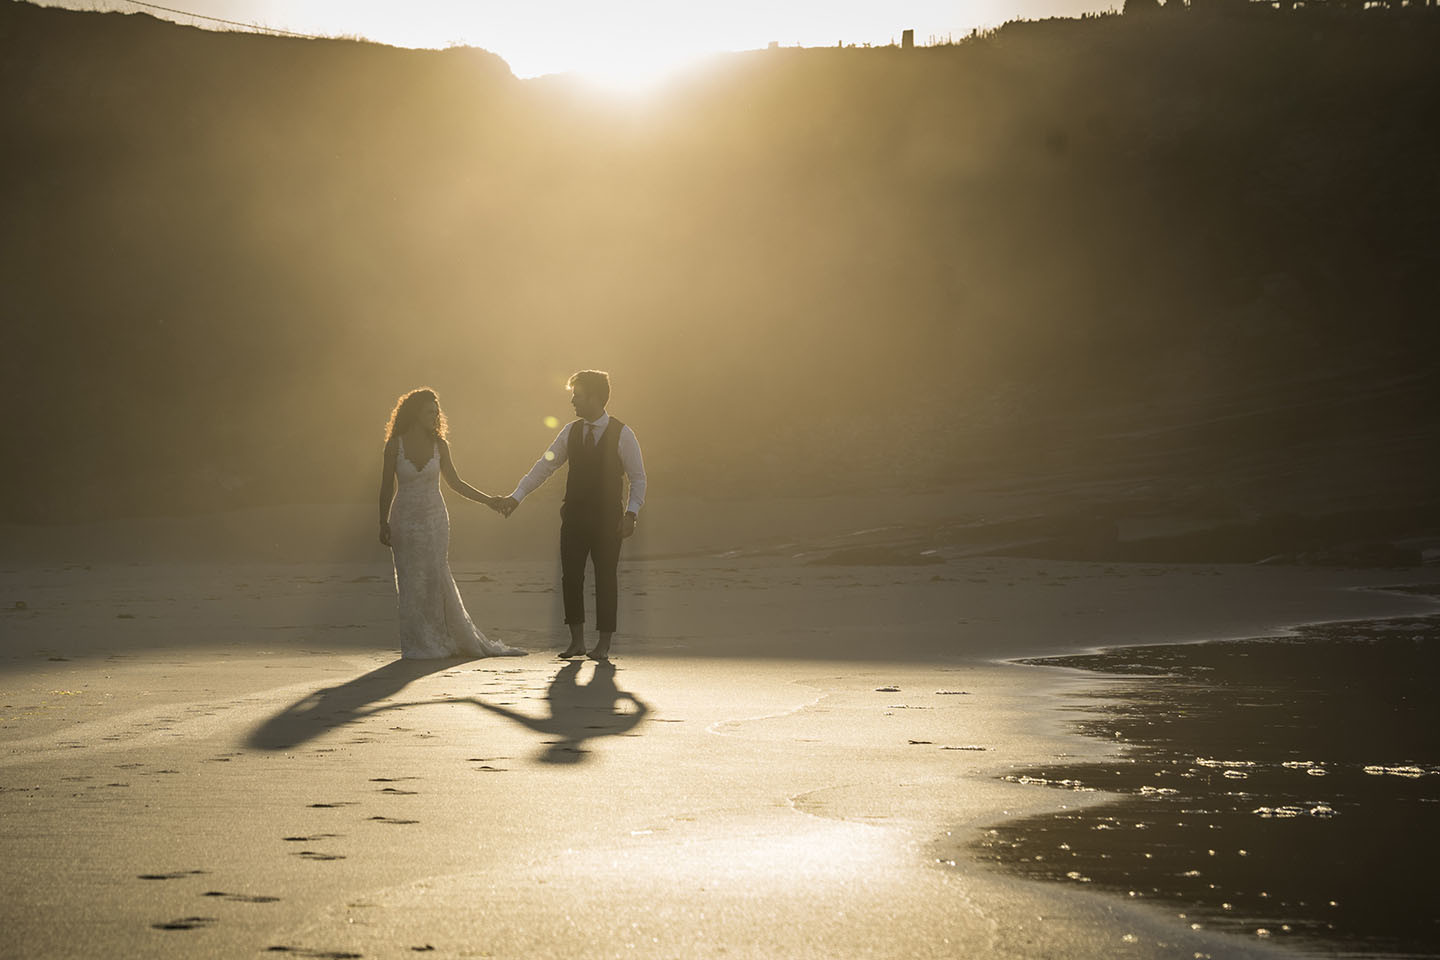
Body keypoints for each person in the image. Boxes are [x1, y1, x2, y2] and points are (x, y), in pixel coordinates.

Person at [493, 370, 646, 661]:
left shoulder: (622, 433)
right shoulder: (570, 432)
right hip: (574, 515)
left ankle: (604, 643)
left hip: (608, 519)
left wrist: (631, 513)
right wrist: (517, 496)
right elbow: (544, 466)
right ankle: (576, 641)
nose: (573, 402)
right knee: (571, 577)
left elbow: (639, 478)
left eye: (578, 396)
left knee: (605, 578)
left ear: (596, 397)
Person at [378, 388, 525, 659]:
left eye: (436, 412)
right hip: (404, 520)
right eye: (428, 412)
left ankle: (442, 638)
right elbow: (387, 486)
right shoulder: (394, 445)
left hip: (435, 519)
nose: (434, 416)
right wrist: (382, 521)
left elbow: (455, 483)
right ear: (414, 413)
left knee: (435, 576)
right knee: (411, 581)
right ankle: (418, 642)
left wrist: (488, 500)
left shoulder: (440, 445)